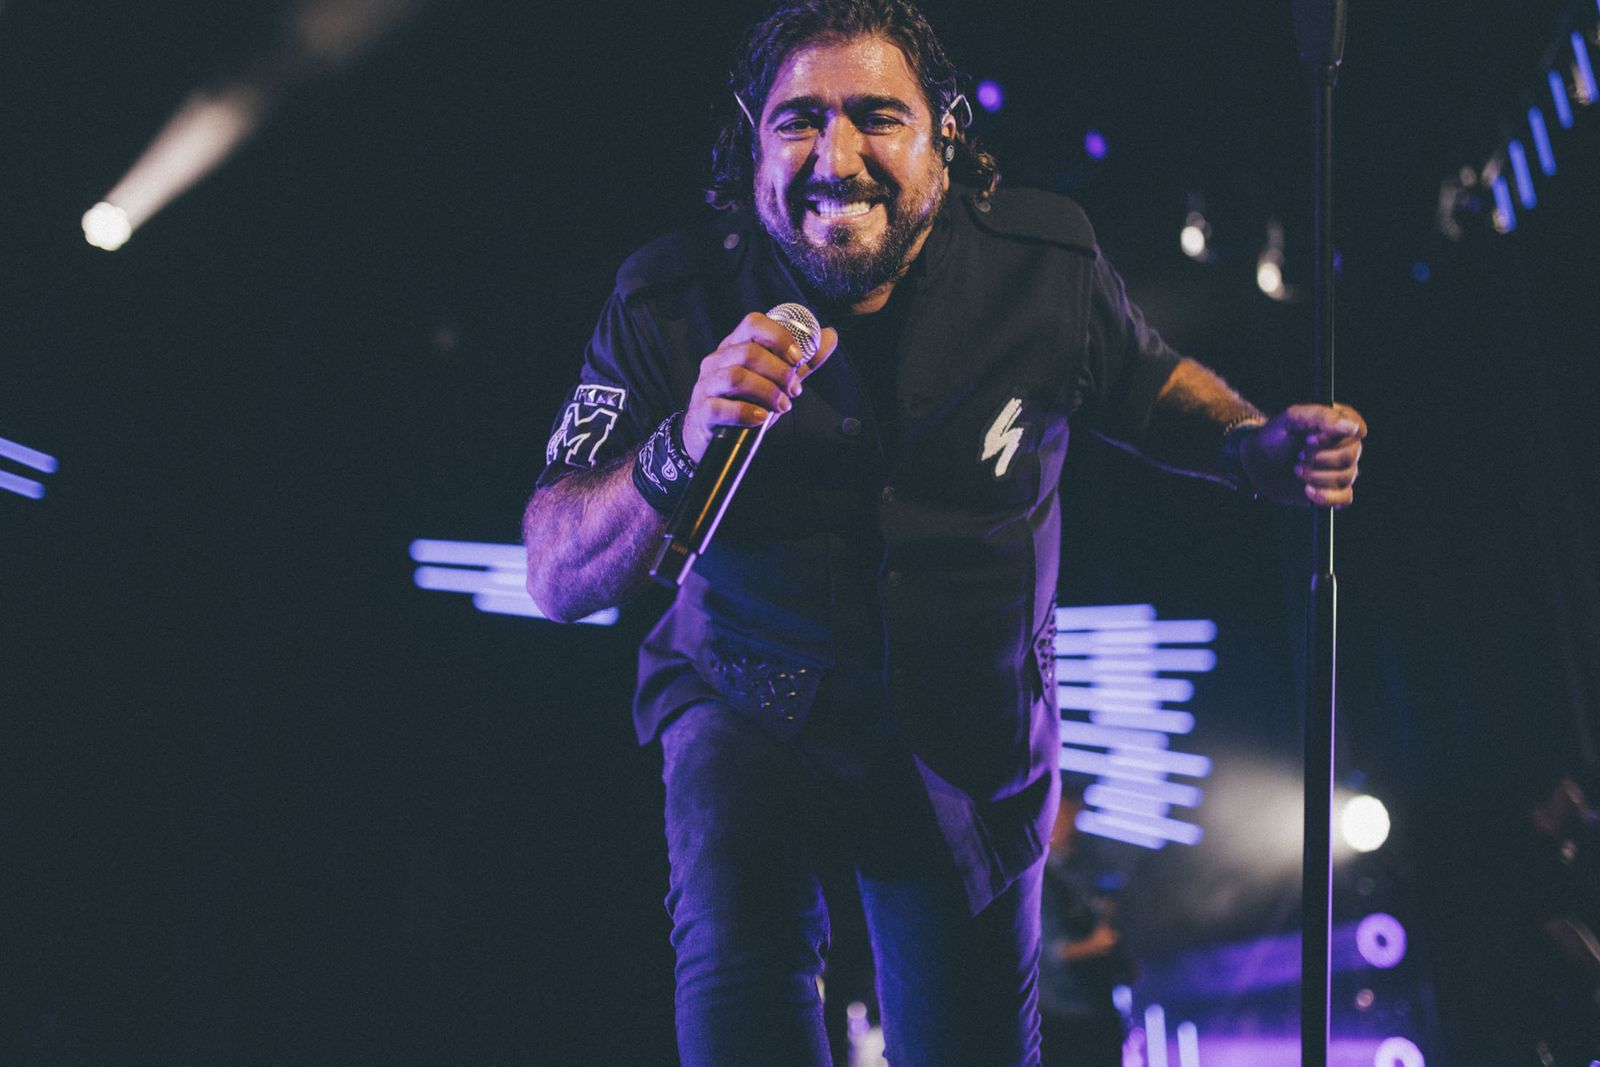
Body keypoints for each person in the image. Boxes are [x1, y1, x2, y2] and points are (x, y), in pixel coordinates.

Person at [522, 2, 1366, 1063]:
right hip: (748, 705)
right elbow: (557, 571)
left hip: (967, 728)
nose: (836, 156)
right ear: (749, 141)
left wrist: (1252, 446)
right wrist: (678, 445)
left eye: (877, 115)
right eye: (796, 121)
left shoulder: (1042, 264)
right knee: (739, 1004)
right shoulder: (667, 302)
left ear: (944, 134)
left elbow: (1145, 383)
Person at [1038, 785, 1136, 1066]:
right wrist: (1095, 944)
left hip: (1097, 1011)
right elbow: (1052, 951)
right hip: (1064, 1015)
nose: (1075, 823)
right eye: (1067, 813)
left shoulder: (1082, 871)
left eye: (1077, 813)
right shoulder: (1042, 878)